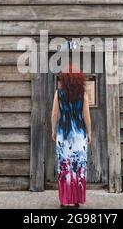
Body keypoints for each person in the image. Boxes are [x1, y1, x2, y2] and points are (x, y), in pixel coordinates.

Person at [51, 64, 92, 209]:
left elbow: (54, 114)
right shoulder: (83, 94)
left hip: (64, 133)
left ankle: (64, 201)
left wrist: (53, 131)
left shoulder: (58, 93)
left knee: (64, 168)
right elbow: (86, 115)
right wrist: (89, 132)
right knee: (78, 167)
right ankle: (75, 201)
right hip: (79, 134)